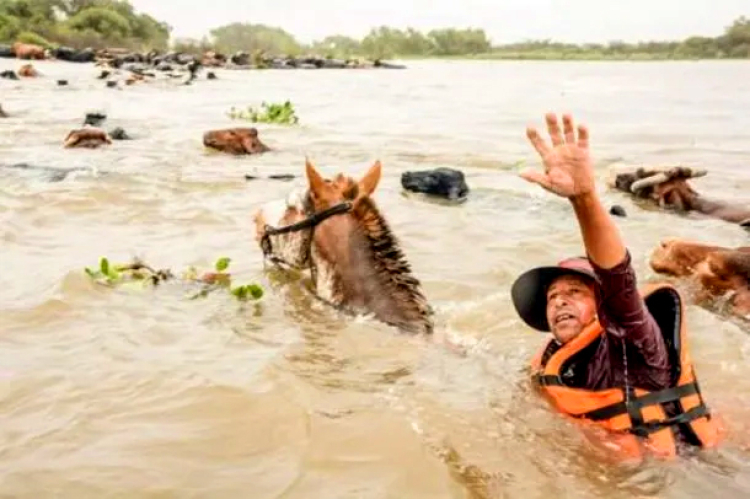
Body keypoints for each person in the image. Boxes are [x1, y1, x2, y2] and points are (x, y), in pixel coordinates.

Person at [510, 112, 724, 460]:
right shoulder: (555, 358)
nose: (560, 302)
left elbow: (617, 281)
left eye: (575, 292)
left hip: (683, 476)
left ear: (602, 307)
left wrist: (584, 199)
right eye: (553, 297)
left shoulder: (636, 347)